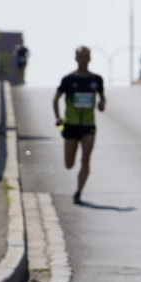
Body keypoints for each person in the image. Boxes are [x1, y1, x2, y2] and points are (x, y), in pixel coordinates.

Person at [52, 46, 106, 204]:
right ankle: (77, 188)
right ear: (76, 58)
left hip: (88, 126)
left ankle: (78, 192)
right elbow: (55, 99)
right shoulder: (68, 79)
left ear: (90, 59)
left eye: (86, 56)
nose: (84, 59)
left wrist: (102, 104)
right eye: (81, 57)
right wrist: (57, 117)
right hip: (71, 125)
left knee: (86, 159)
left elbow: (102, 98)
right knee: (69, 164)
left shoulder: (96, 79)